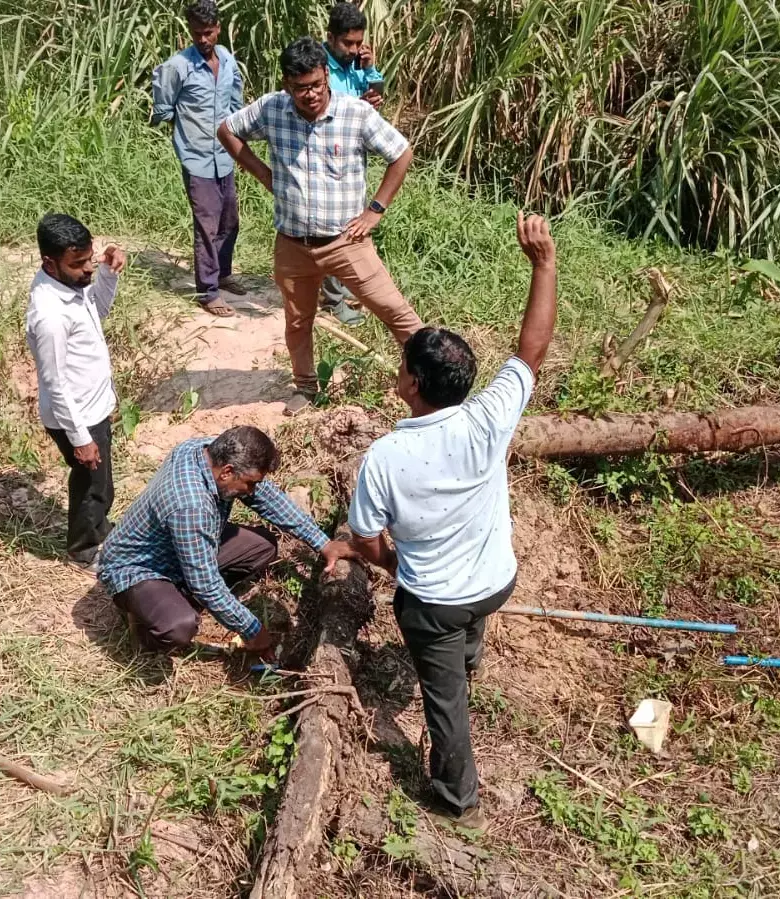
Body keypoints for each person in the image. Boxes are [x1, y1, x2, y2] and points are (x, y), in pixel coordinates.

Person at [345, 212, 558, 829]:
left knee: (446, 708)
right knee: (464, 623)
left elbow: (363, 539)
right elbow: (532, 349)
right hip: (495, 581)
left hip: (434, 602)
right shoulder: (489, 417)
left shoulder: (385, 456)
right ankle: (469, 655)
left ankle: (456, 799)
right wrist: (543, 263)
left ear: (411, 381)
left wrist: (392, 562)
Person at [218, 36, 423, 410]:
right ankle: (305, 386)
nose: (309, 95)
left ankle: (431, 379)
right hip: (293, 243)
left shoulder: (354, 114)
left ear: (326, 75)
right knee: (298, 321)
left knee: (396, 311)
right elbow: (227, 130)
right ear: (286, 84)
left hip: (347, 242)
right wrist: (266, 175)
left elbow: (401, 152)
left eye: (315, 85)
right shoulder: (273, 108)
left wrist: (375, 209)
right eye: (299, 88)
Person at [100, 426, 357, 654]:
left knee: (262, 546)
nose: (253, 491)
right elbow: (206, 584)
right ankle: (144, 630)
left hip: (179, 547)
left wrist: (323, 543)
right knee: (179, 626)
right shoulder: (191, 506)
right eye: (250, 484)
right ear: (227, 472)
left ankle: (176, 596)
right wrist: (252, 630)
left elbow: (267, 497)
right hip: (137, 569)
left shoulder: (207, 451)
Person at [27, 212, 128, 574]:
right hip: (78, 416)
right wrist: (81, 439)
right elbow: (54, 384)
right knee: (91, 486)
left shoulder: (72, 286)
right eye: (79, 264)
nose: (87, 269)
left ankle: (99, 529)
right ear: (49, 263)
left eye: (90, 259)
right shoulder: (50, 317)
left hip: (93, 408)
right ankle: (84, 548)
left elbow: (96, 313)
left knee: (101, 483)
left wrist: (107, 274)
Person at [151, 0, 246, 317]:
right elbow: (163, 109)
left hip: (225, 155)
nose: (203, 39)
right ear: (189, 32)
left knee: (229, 220)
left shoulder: (228, 61)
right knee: (206, 225)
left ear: (217, 28)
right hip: (197, 157)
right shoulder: (177, 66)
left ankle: (222, 272)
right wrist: (187, 134)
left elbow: (236, 104)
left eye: (208, 32)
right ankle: (207, 292)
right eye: (196, 34)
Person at [316, 0, 389, 326]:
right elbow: (323, 107)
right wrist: (355, 106)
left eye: (359, 43)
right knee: (334, 228)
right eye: (348, 43)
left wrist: (370, 74)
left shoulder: (352, 64)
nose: (354, 48)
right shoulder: (321, 66)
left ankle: (339, 289)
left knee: (349, 224)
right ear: (331, 37)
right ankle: (332, 299)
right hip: (326, 154)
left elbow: (373, 91)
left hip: (351, 155)